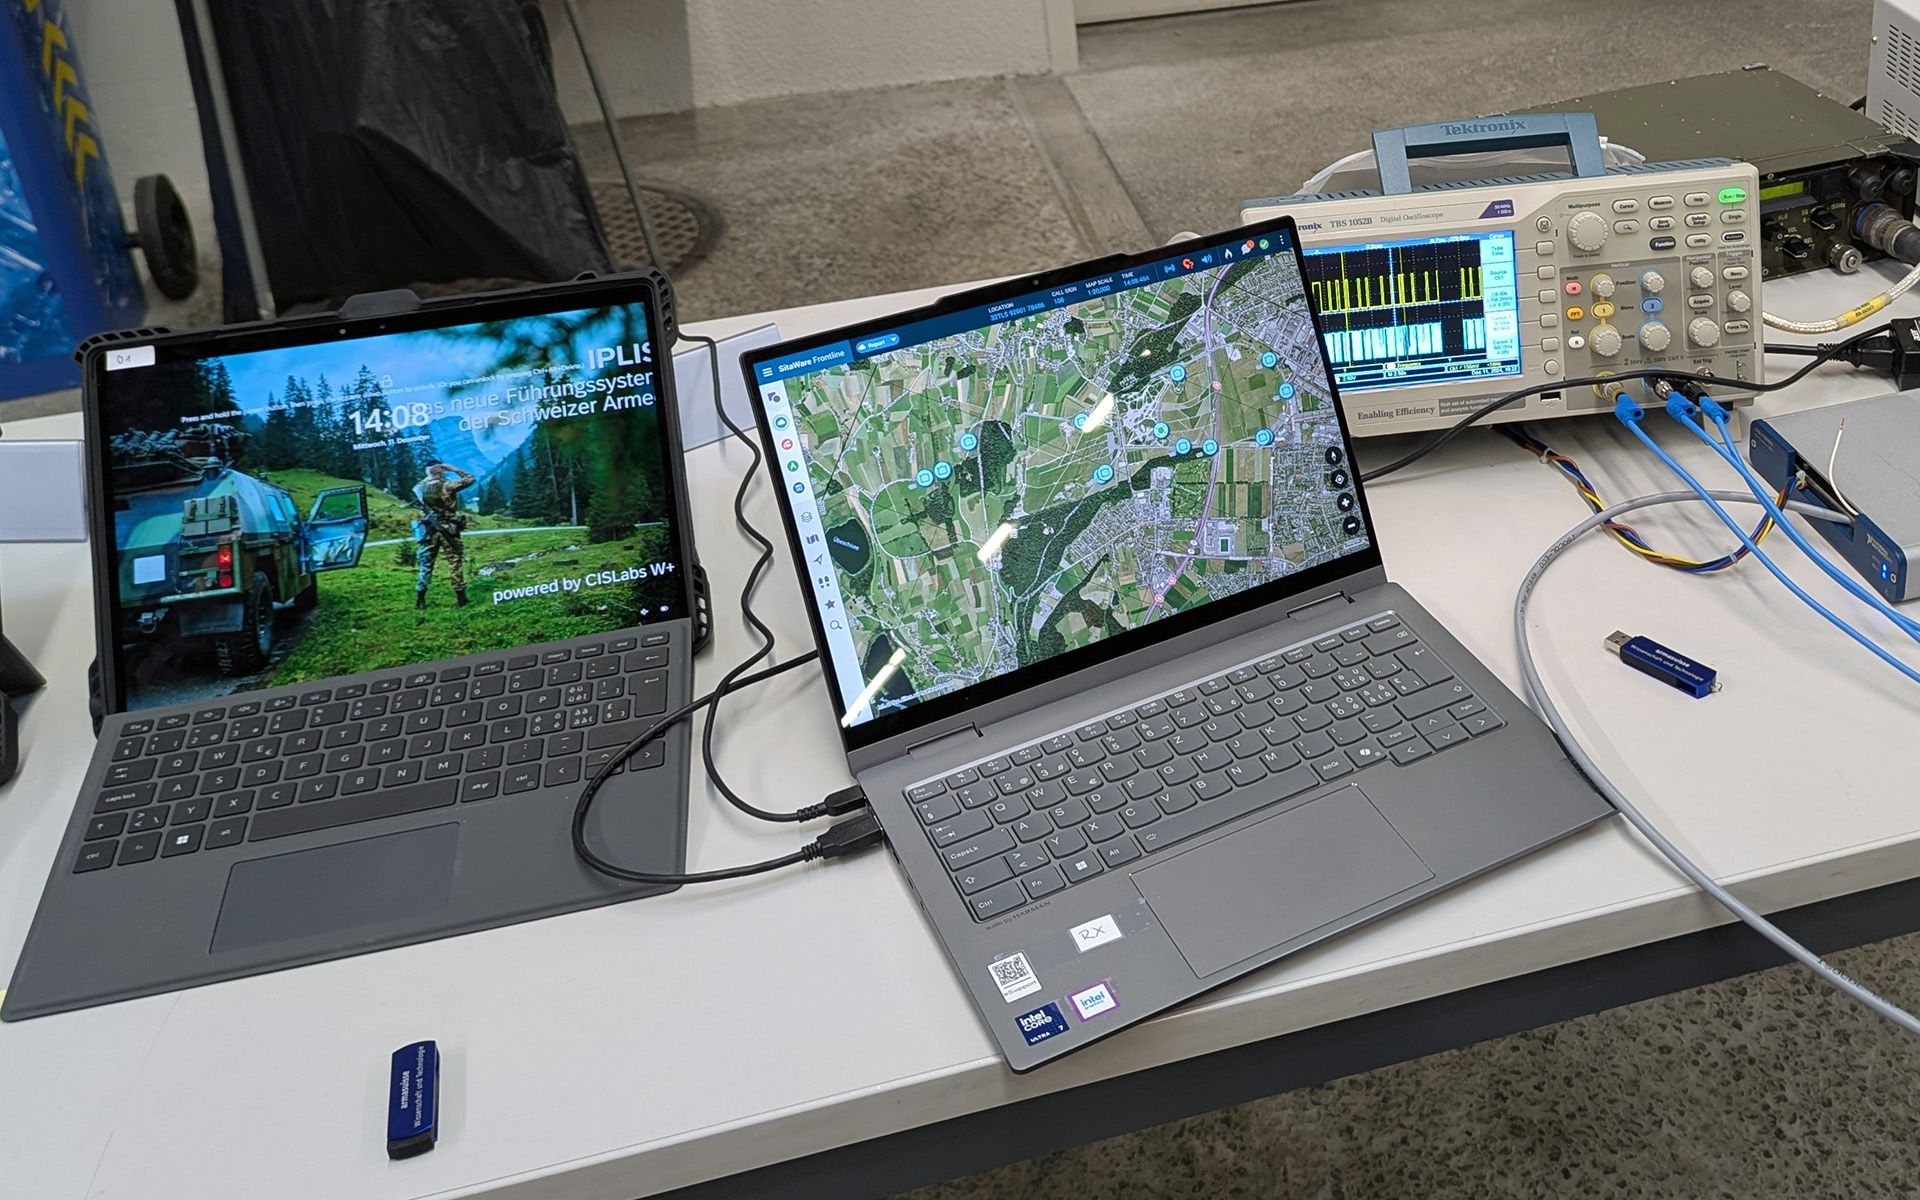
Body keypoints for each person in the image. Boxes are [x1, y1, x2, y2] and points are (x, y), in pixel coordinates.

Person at [415, 462, 476, 608]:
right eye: (442, 468)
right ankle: (461, 598)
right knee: (455, 561)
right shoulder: (447, 485)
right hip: (448, 528)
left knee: (426, 564)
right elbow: (470, 479)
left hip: (428, 530)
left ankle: (420, 599)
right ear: (440, 470)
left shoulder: (418, 488)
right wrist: (454, 469)